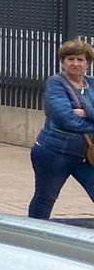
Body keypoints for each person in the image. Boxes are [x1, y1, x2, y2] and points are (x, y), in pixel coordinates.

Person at [29, 39, 94, 220]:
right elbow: (65, 119)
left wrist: (85, 111)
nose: (75, 64)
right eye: (70, 59)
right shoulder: (56, 83)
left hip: (87, 156)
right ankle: (33, 233)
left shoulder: (92, 83)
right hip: (54, 153)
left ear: (87, 63)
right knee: (45, 198)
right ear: (63, 61)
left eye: (80, 59)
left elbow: (76, 116)